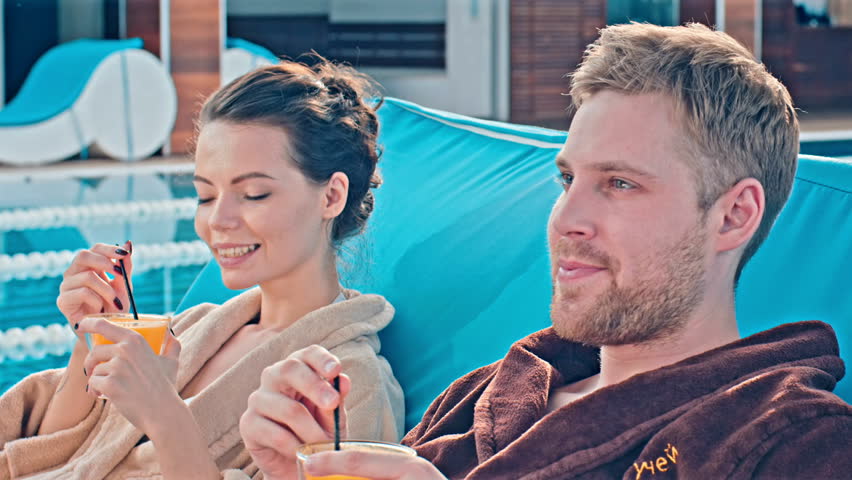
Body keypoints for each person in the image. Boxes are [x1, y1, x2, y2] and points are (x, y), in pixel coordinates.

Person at [239, 22, 852, 479]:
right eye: (567, 181)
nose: (566, 219)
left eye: (620, 184)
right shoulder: (487, 395)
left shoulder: (792, 444)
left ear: (733, 215)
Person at [0, 58, 404, 479]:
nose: (218, 221)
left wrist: (164, 415)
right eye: (205, 197)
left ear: (331, 197)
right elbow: (62, 456)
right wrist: (90, 342)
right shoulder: (193, 327)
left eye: (254, 194)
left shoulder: (347, 382)